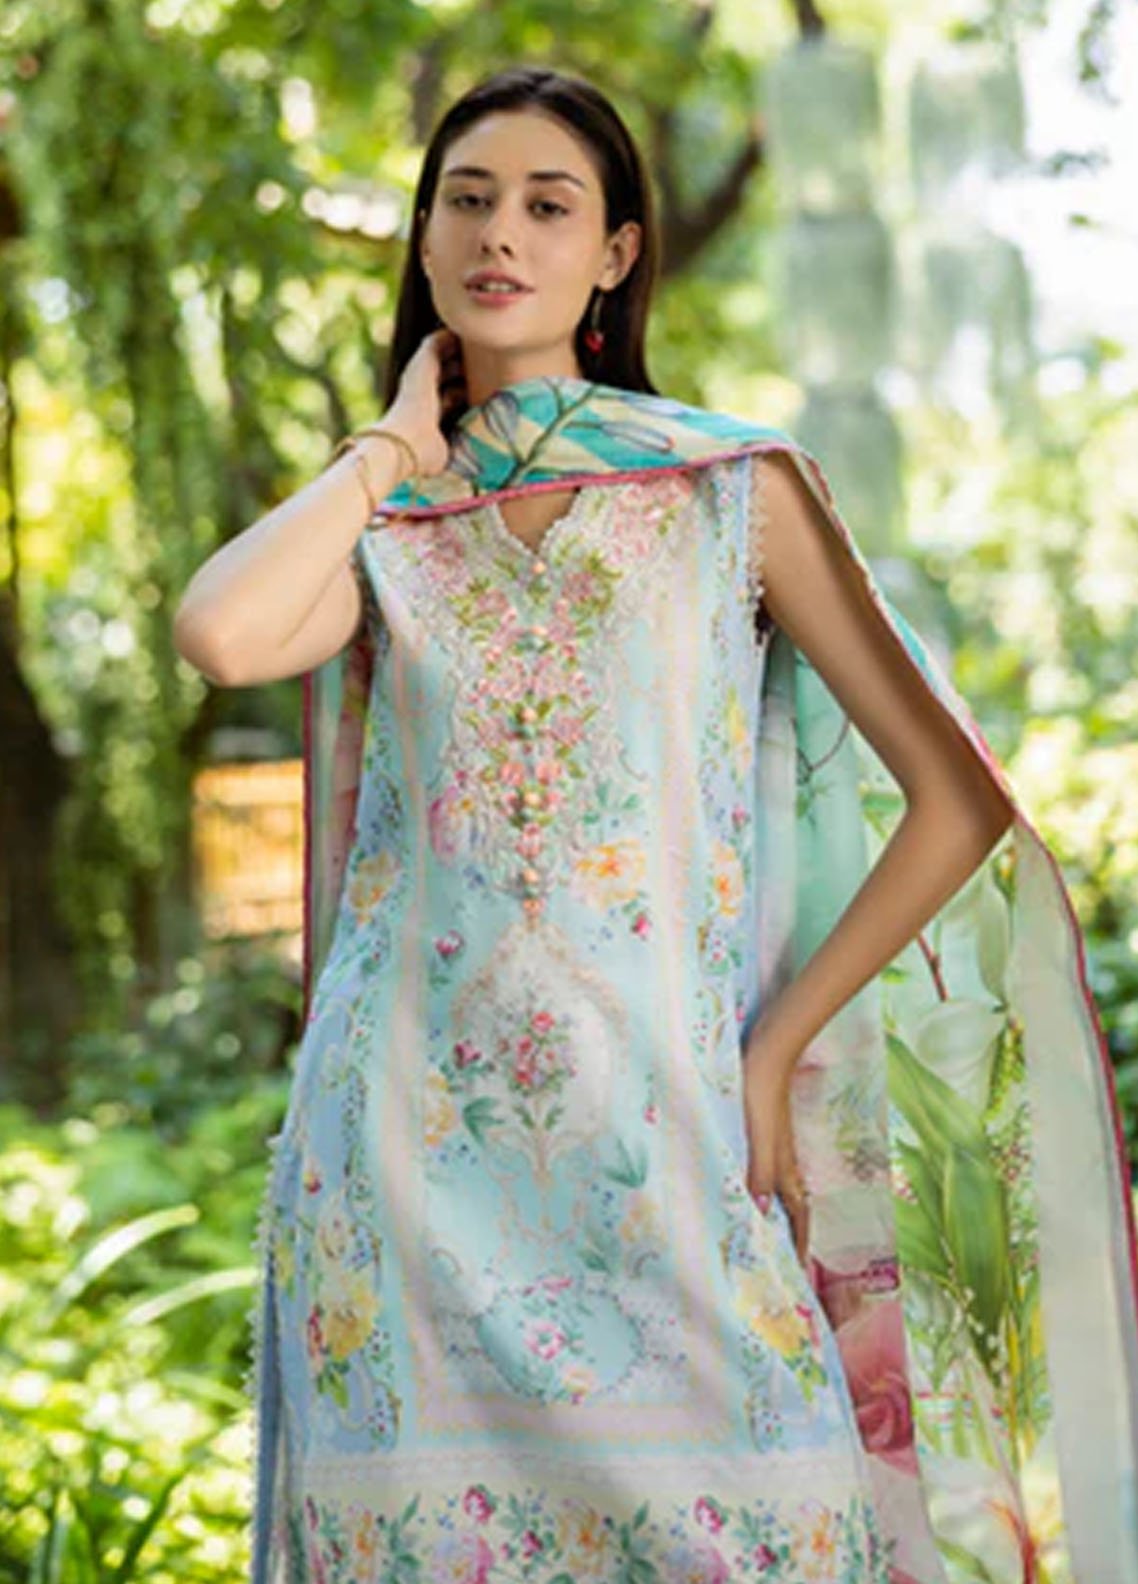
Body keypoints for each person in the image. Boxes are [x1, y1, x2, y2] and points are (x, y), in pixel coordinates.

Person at [174, 64, 1138, 1584]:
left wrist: (771, 1050)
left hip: (674, 1144)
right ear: (424, 239)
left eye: (547, 205)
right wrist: (386, 453)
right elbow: (222, 635)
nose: (501, 234)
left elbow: (957, 803)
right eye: (467, 200)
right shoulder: (385, 526)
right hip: (401, 1174)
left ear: (616, 253)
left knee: (779, 1535)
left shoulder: (724, 490)